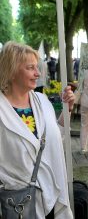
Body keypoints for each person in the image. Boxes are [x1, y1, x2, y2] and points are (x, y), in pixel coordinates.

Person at [0, 41, 75, 219]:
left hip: (51, 195)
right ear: (11, 71)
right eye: (30, 67)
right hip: (17, 202)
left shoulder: (42, 100)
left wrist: (67, 110)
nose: (38, 73)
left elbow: (55, 139)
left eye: (37, 67)